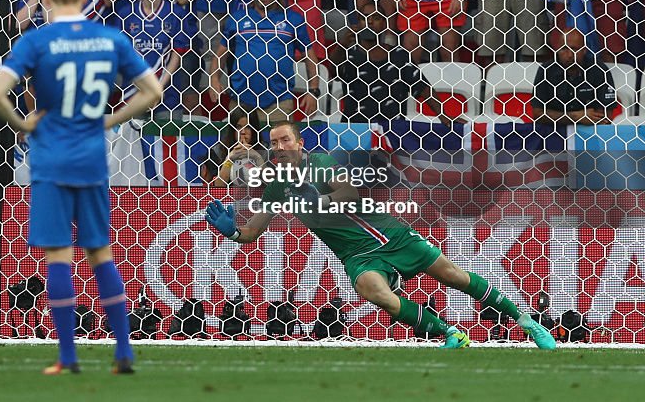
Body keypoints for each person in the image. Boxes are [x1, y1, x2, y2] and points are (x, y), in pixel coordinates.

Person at [205, 121, 558, 350]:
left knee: (455, 276)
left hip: (390, 234)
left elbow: (348, 196)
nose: (280, 145)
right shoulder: (276, 186)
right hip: (358, 255)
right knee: (374, 292)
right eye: (274, 142)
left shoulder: (324, 164)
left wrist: (317, 198)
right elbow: (253, 231)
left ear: (299, 142)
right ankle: (450, 334)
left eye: (285, 139)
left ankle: (528, 322)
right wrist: (234, 233)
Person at [0, 0, 163, 374]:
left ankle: (67, 357)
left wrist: (23, 123)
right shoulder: (110, 38)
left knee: (59, 256)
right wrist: (110, 120)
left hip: (49, 158)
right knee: (101, 253)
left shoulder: (38, 40)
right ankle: (123, 354)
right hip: (92, 158)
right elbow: (152, 91)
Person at [209, 0, 319, 125]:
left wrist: (313, 91)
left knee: (281, 148)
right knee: (240, 149)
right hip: (241, 102)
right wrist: (214, 79)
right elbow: (220, 54)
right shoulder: (237, 18)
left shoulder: (293, 20)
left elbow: (310, 57)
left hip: (279, 104)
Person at [338, 12, 452, 125]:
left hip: (393, 132)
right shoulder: (348, 55)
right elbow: (332, 72)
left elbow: (422, 87)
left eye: (376, 18)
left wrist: (443, 116)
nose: (370, 22)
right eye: (364, 18)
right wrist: (342, 45)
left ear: (384, 24)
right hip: (354, 130)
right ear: (357, 23)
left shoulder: (399, 55)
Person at [531, 28, 617, 124]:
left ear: (584, 50)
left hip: (590, 132)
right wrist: (575, 116)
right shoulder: (546, 70)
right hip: (553, 132)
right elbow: (538, 114)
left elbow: (605, 116)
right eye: (564, 49)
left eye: (574, 49)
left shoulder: (599, 70)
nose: (570, 55)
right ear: (557, 50)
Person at [212, 107, 266, 187]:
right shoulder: (217, 151)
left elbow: (271, 185)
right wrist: (229, 159)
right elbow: (217, 188)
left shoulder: (265, 150)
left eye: (248, 127)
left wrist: (257, 157)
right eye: (238, 127)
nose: (243, 132)